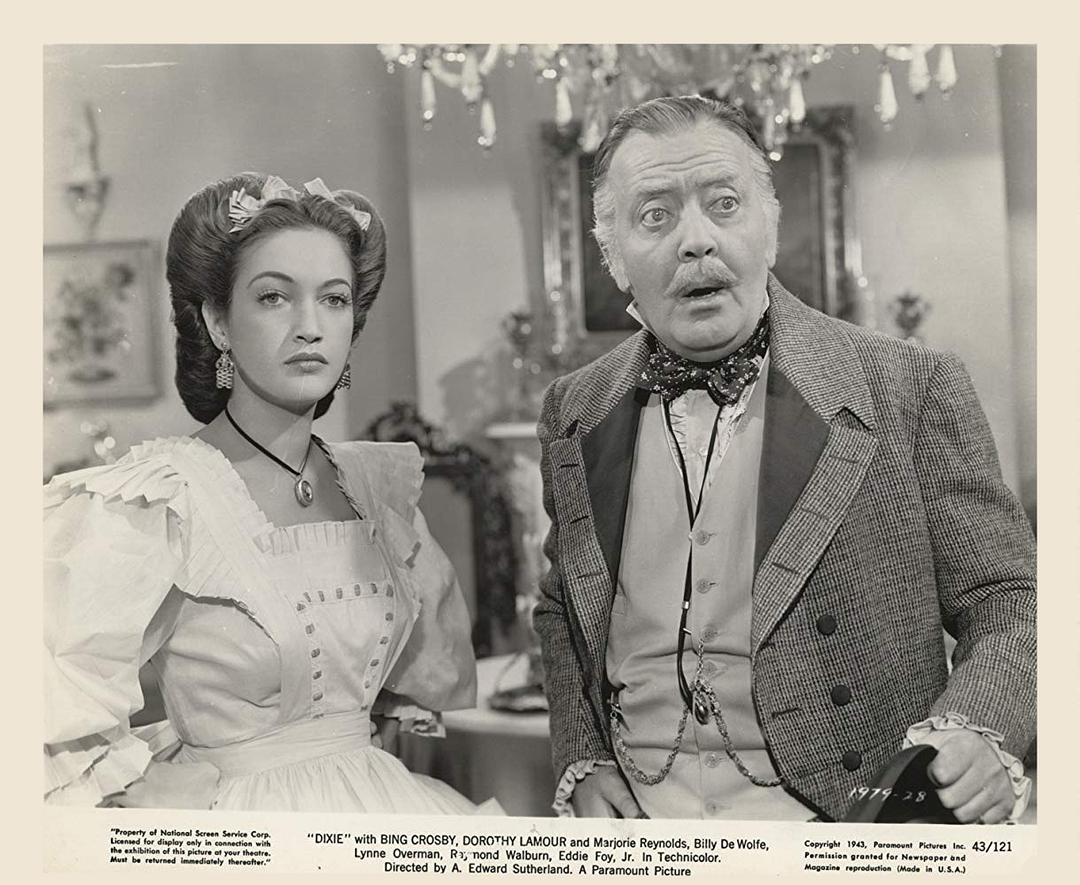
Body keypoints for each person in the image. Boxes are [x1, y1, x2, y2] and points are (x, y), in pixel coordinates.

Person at [533, 96, 1036, 823]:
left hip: (846, 825)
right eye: (655, 216)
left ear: (768, 228)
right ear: (613, 257)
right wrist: (583, 755)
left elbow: (1011, 598)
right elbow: (562, 606)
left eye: (725, 204)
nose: (696, 241)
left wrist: (980, 728)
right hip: (640, 831)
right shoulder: (573, 408)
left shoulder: (910, 387)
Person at [44, 173, 498, 813]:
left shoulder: (377, 488)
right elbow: (49, 697)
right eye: (274, 297)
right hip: (238, 826)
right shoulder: (162, 497)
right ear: (218, 322)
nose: (310, 327)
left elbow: (417, 678)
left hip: (382, 807)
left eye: (334, 299)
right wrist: (140, 793)